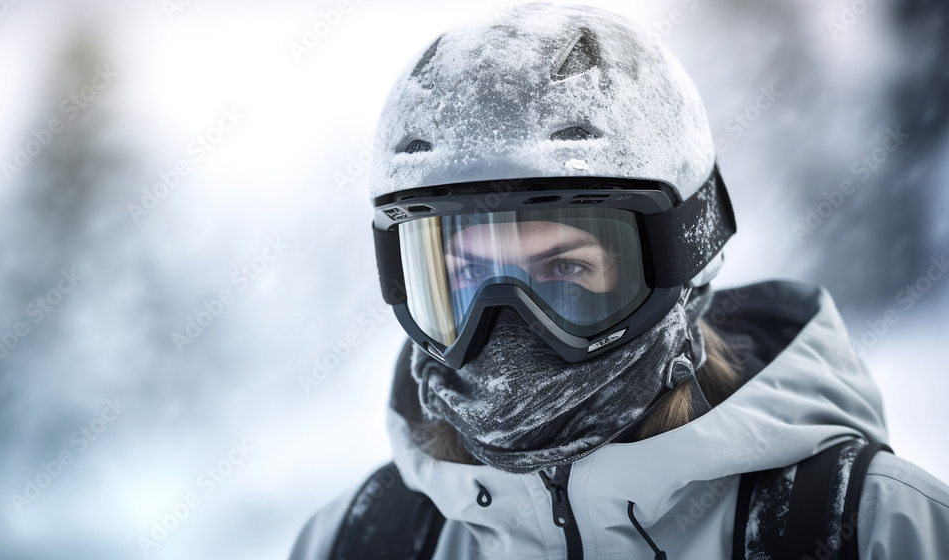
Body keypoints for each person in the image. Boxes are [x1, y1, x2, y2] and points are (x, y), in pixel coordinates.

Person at [290, 4, 949, 559]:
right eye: (464, 278)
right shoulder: (360, 542)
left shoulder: (873, 532)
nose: (507, 331)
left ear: (679, 264)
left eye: (567, 270)